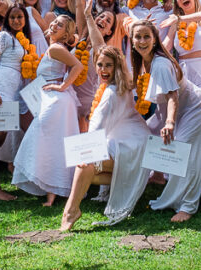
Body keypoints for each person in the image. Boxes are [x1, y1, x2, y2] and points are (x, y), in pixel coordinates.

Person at [128, 20, 201, 223]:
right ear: (131, 41)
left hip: (194, 109)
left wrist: (169, 123)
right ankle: (156, 177)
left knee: (182, 152)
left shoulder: (160, 64)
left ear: (155, 39)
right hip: (174, 109)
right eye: (138, 36)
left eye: (146, 36)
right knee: (144, 134)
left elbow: (173, 96)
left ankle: (188, 205)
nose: (142, 41)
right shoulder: (143, 61)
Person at [59, 45, 151, 230]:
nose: (103, 70)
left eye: (108, 65)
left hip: (131, 146)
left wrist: (83, 152)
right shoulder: (120, 84)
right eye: (99, 65)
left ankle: (70, 211)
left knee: (86, 165)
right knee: (89, 171)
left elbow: (96, 128)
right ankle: (72, 209)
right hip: (133, 142)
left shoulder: (110, 93)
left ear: (117, 66)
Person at [11, 15, 84, 206]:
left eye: (59, 25)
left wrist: (62, 86)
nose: (53, 25)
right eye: (54, 23)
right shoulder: (53, 48)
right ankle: (51, 193)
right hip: (52, 100)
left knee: (40, 136)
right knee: (54, 145)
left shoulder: (55, 48)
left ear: (66, 33)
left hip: (57, 101)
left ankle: (51, 188)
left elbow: (78, 66)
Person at [0, 4, 37, 201]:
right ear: (7, 20)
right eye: (12, 17)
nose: (16, 21)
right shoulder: (3, 37)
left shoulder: (21, 41)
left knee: (10, 134)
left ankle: (28, 177)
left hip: (15, 91)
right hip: (1, 88)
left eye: (20, 17)